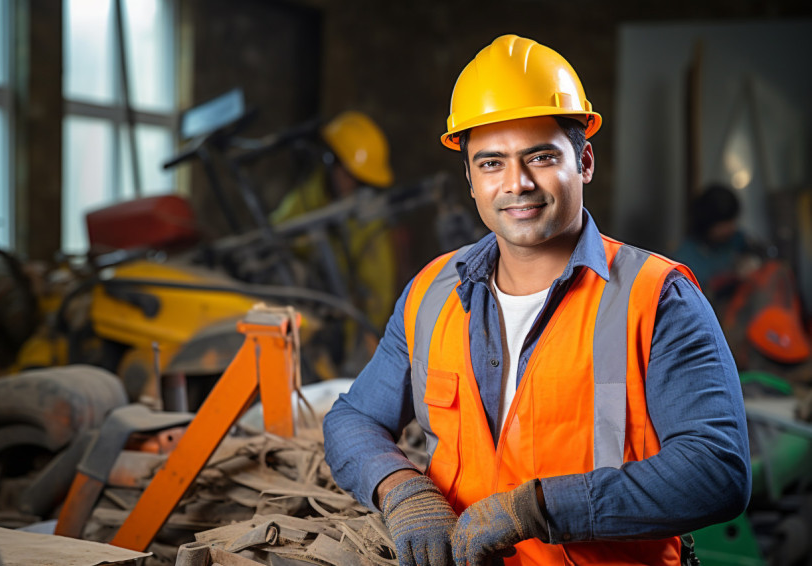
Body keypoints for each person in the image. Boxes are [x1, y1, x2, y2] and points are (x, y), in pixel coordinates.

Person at [322, 34, 751, 566]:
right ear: (470, 179)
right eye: (491, 163)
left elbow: (716, 471)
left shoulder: (656, 297)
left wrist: (538, 509)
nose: (516, 183)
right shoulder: (432, 292)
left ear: (585, 161)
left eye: (541, 157)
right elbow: (351, 420)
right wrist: (401, 489)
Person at [271, 111, 398, 365]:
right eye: (348, 174)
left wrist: (369, 337)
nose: (352, 185)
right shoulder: (306, 201)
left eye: (360, 180)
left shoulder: (367, 221)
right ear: (330, 162)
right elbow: (273, 238)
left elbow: (378, 291)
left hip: (354, 335)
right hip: (310, 327)